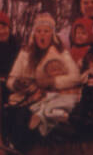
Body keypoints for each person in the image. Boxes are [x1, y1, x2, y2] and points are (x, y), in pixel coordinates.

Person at [5, 14, 78, 147]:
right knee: (11, 114)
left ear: (52, 34)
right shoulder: (25, 53)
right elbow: (11, 78)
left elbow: (74, 77)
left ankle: (26, 150)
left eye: (46, 31)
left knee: (27, 116)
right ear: (34, 34)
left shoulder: (61, 53)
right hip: (25, 96)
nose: (42, 35)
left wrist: (53, 82)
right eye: (39, 31)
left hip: (52, 96)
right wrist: (16, 85)